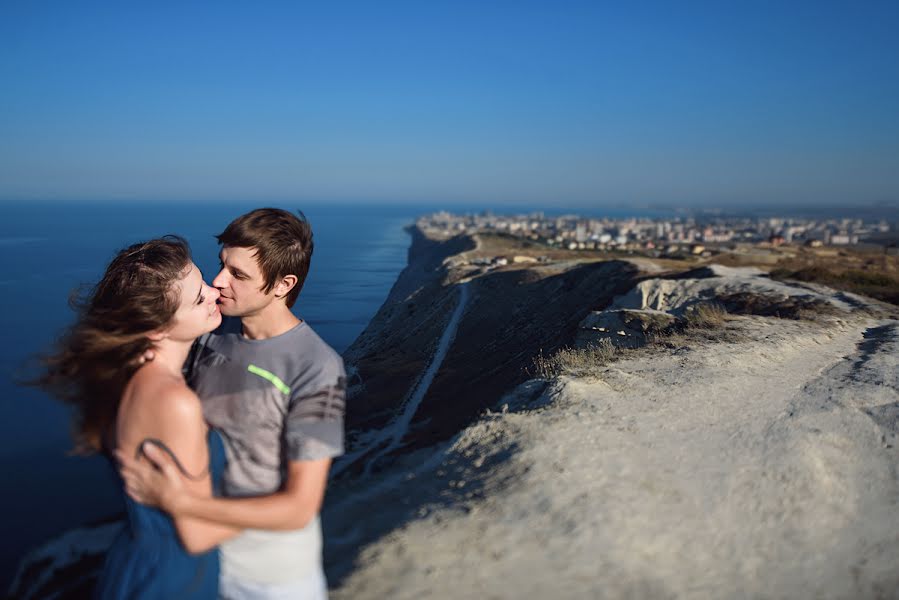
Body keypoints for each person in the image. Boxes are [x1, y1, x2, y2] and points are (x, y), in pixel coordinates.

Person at [118, 208, 346, 600]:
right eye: (221, 265)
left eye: (238, 275)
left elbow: (299, 508)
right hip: (201, 562)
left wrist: (180, 501)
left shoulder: (316, 367)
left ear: (282, 284)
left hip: (272, 578)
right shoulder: (208, 334)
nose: (219, 282)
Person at [37, 236, 235, 599]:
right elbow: (197, 534)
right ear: (157, 328)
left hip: (135, 566)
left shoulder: (123, 379)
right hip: (177, 580)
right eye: (197, 297)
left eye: (203, 280)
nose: (213, 292)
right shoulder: (176, 403)